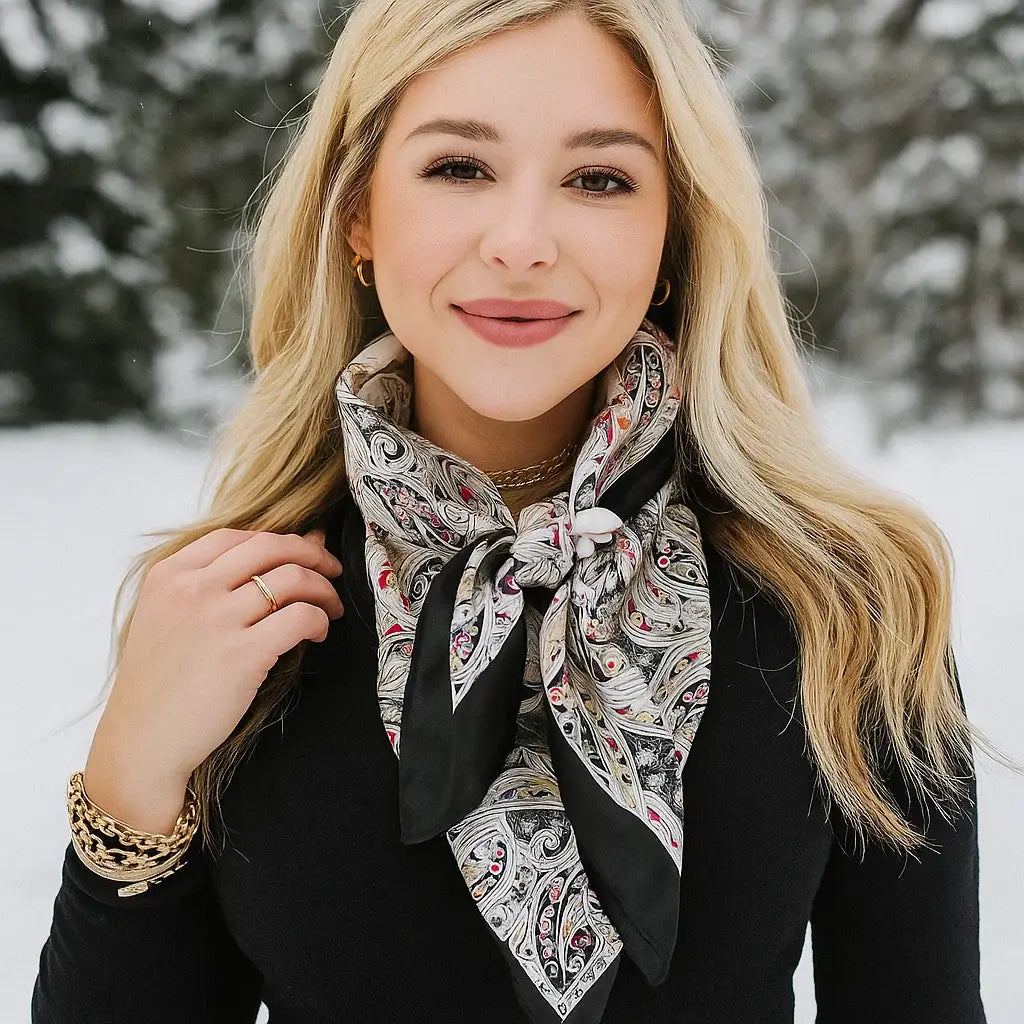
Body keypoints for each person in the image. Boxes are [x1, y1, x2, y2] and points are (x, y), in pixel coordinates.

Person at [32, 2, 1009, 1022]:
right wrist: (129, 784)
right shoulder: (237, 608)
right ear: (358, 210)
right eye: (459, 167)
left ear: (670, 231)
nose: (521, 242)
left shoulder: (846, 603)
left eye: (599, 179)